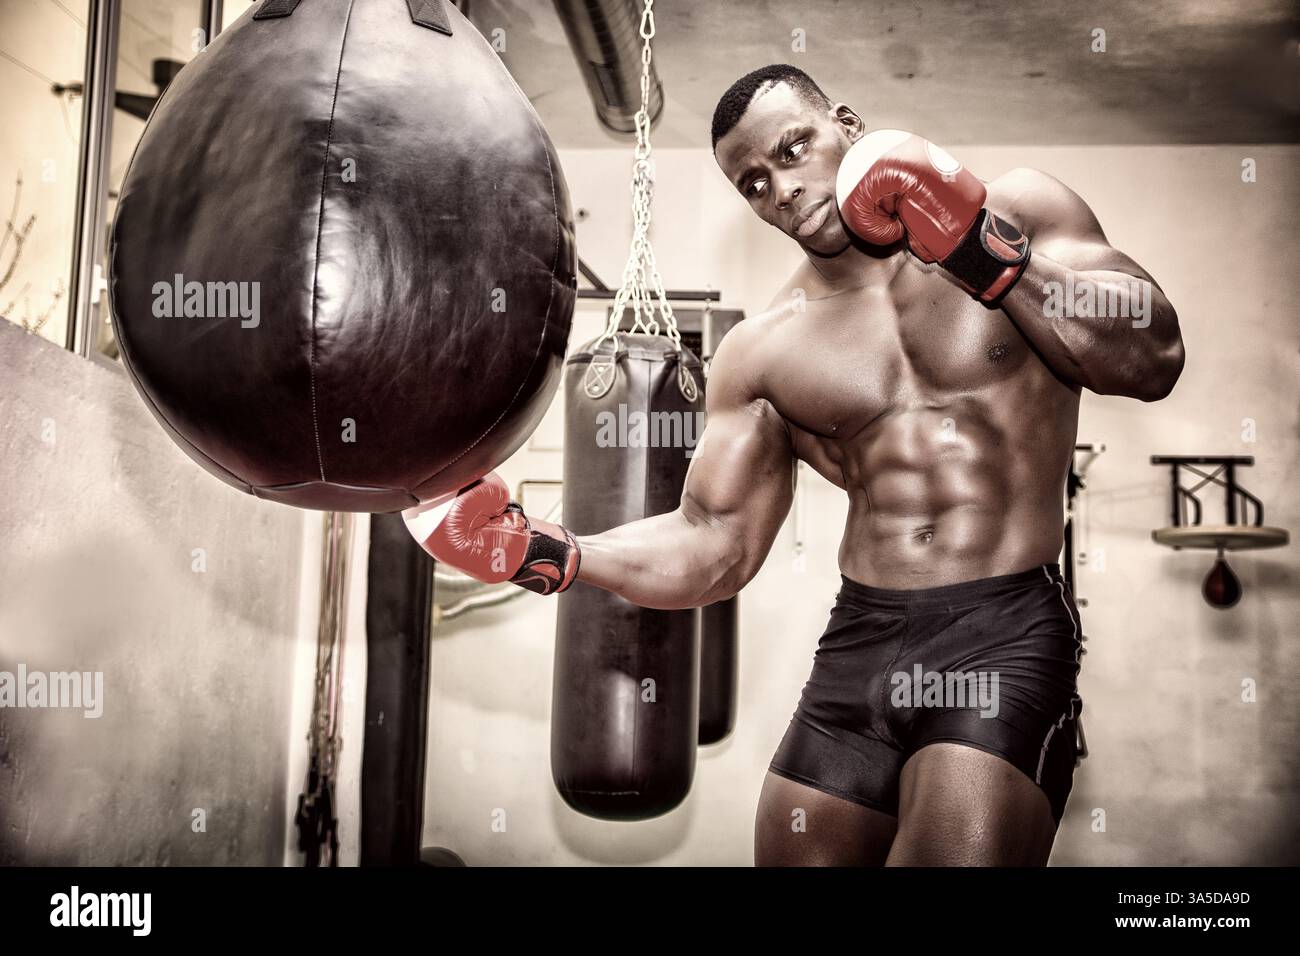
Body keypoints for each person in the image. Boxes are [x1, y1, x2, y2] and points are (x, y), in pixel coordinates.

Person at [406, 64, 1184, 866]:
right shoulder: (763, 349)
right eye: (753, 182)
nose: (779, 187)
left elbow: (1152, 353)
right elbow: (714, 543)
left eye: (793, 148)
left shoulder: (1017, 205)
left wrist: (983, 248)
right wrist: (544, 553)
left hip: (1001, 633)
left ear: (846, 122)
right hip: (861, 643)